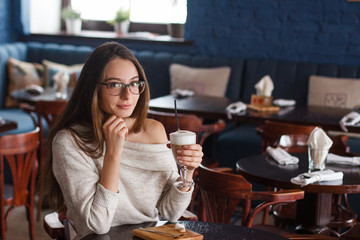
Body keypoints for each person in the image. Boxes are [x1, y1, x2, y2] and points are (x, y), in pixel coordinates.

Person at [41, 42, 203, 239]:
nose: (128, 95)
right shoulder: (69, 141)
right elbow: (98, 224)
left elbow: (171, 212)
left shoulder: (154, 130)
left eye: (134, 83)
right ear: (94, 88)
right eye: (115, 84)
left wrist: (188, 171)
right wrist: (113, 152)